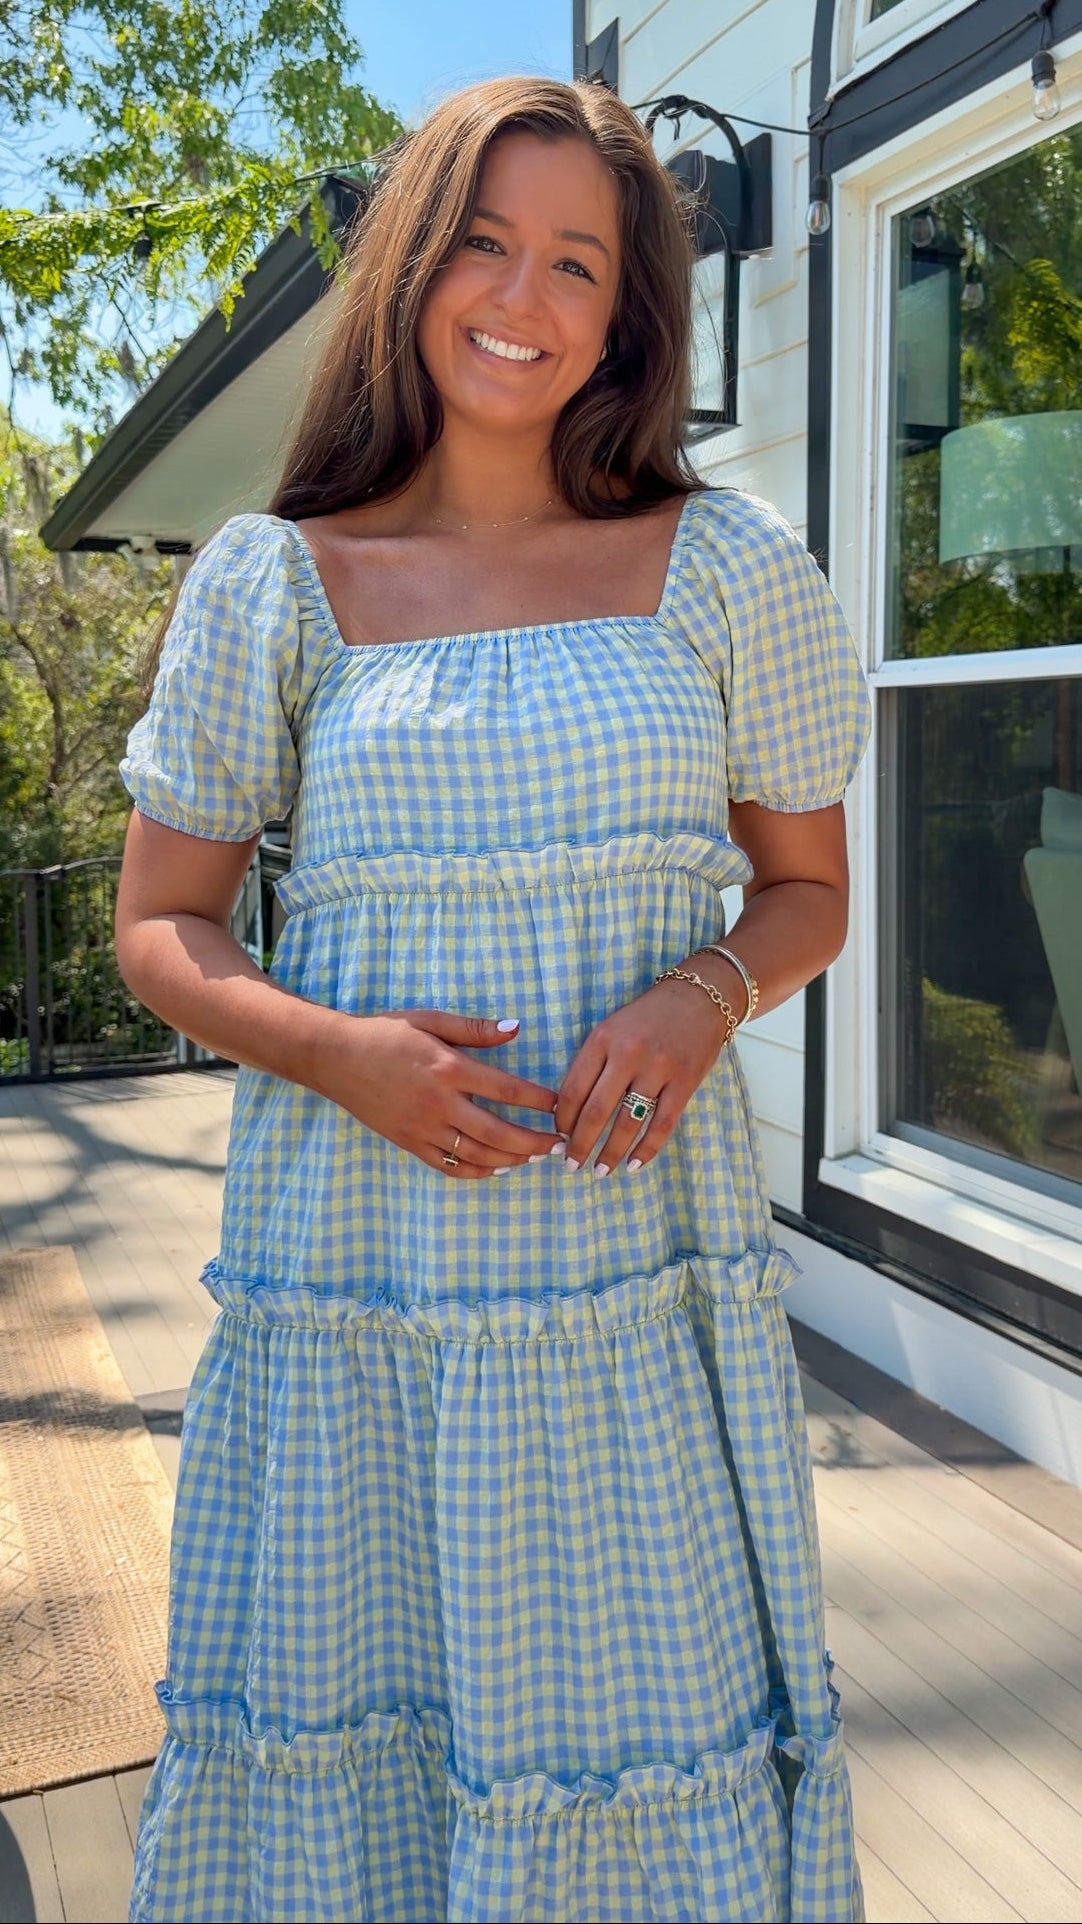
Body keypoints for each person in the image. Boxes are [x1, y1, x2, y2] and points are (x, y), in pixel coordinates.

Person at [115, 75, 870, 1924]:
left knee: (640, 1710)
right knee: (356, 1700)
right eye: (479, 241)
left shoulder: (724, 568)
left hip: (630, 1277)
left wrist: (705, 995)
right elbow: (161, 929)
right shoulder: (277, 583)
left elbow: (808, 895)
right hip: (359, 1270)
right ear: (409, 264)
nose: (519, 295)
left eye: (574, 262)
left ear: (626, 314)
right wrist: (335, 1053)